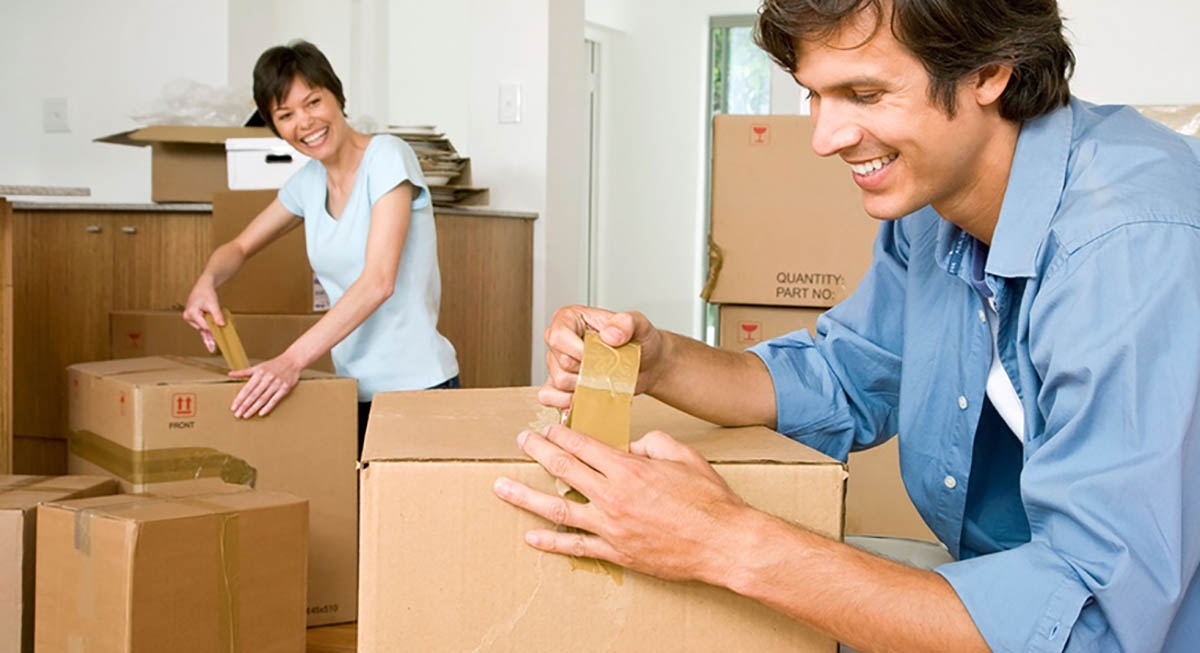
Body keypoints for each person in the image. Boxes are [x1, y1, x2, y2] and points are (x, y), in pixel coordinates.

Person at [492, 0, 1200, 650]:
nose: (825, 138)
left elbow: (1097, 623)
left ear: (989, 71)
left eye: (863, 94)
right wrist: (665, 361)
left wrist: (720, 541)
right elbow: (844, 376)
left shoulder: (1128, 244)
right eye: (814, 93)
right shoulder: (935, 207)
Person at [183, 40, 459, 454]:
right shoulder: (308, 184)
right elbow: (238, 247)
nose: (305, 122)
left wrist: (290, 361)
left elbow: (378, 281)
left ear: (336, 96)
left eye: (313, 102)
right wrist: (206, 281)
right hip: (352, 392)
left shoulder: (387, 157)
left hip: (418, 390)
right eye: (286, 115)